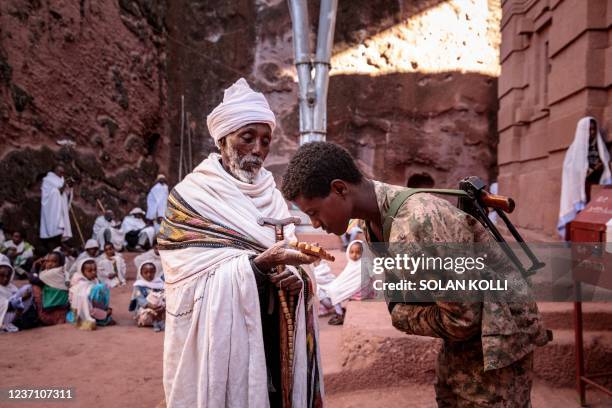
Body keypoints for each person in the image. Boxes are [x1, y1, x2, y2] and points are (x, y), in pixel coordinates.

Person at [282, 141, 550, 407]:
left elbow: (463, 319)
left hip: (497, 347)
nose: (316, 223)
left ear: (339, 188)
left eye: (314, 213)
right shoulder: (373, 219)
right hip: (466, 344)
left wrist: (402, 316)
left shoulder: (415, 225)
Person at [158, 78, 323, 408]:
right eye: (247, 138)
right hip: (219, 339)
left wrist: (299, 279)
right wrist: (257, 266)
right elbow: (184, 278)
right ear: (222, 139)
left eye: (265, 140)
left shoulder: (273, 197)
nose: (258, 149)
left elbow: (290, 255)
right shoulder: (191, 197)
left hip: (274, 332)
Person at [558, 116, 612, 238]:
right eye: (589, 129)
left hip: (595, 193)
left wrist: (600, 168)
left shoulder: (600, 149)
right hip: (578, 193)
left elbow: (606, 170)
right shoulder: (573, 151)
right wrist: (587, 171)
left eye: (593, 129)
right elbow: (571, 173)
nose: (592, 132)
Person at [318, 240, 373, 326]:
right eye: (352, 252)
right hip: (355, 288)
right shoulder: (351, 264)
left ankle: (339, 314)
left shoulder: (364, 263)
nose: (354, 255)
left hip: (360, 291)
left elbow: (372, 274)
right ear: (348, 252)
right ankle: (339, 310)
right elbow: (345, 278)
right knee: (332, 288)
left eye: (358, 252)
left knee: (334, 291)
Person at [67, 258, 114, 330]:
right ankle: (101, 315)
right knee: (99, 288)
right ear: (82, 272)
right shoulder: (79, 284)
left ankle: (102, 313)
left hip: (92, 305)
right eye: (90, 271)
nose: (93, 272)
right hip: (85, 308)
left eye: (95, 270)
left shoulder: (94, 280)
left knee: (102, 287)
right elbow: (85, 304)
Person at [28, 251, 70, 326]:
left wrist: (34, 265)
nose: (50, 264)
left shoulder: (54, 273)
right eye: (47, 261)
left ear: (61, 263)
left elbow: (32, 279)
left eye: (54, 261)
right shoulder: (62, 272)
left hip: (53, 312)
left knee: (34, 287)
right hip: (61, 309)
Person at [40, 164, 73, 251]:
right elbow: (53, 193)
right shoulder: (47, 180)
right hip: (52, 209)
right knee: (54, 227)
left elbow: (65, 193)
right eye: (60, 171)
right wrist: (64, 185)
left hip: (61, 208)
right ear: (55, 171)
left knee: (61, 229)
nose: (62, 173)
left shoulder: (61, 179)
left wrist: (69, 187)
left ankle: (61, 246)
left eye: (63, 172)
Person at [0, 255, 35, 332]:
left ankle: (17, 322)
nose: (5, 279)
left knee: (29, 289)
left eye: (8, 276)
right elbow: (5, 306)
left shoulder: (11, 287)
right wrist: (22, 298)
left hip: (12, 315)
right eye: (1, 275)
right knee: (26, 288)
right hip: (2, 317)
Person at [129, 262, 165, 331]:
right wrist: (151, 306)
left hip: (159, 306)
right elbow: (140, 299)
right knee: (147, 314)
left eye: (152, 272)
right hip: (145, 307)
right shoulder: (139, 285)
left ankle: (158, 322)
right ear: (141, 273)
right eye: (146, 272)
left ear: (155, 272)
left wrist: (161, 304)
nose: (149, 275)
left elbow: (163, 295)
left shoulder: (159, 283)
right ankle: (156, 322)